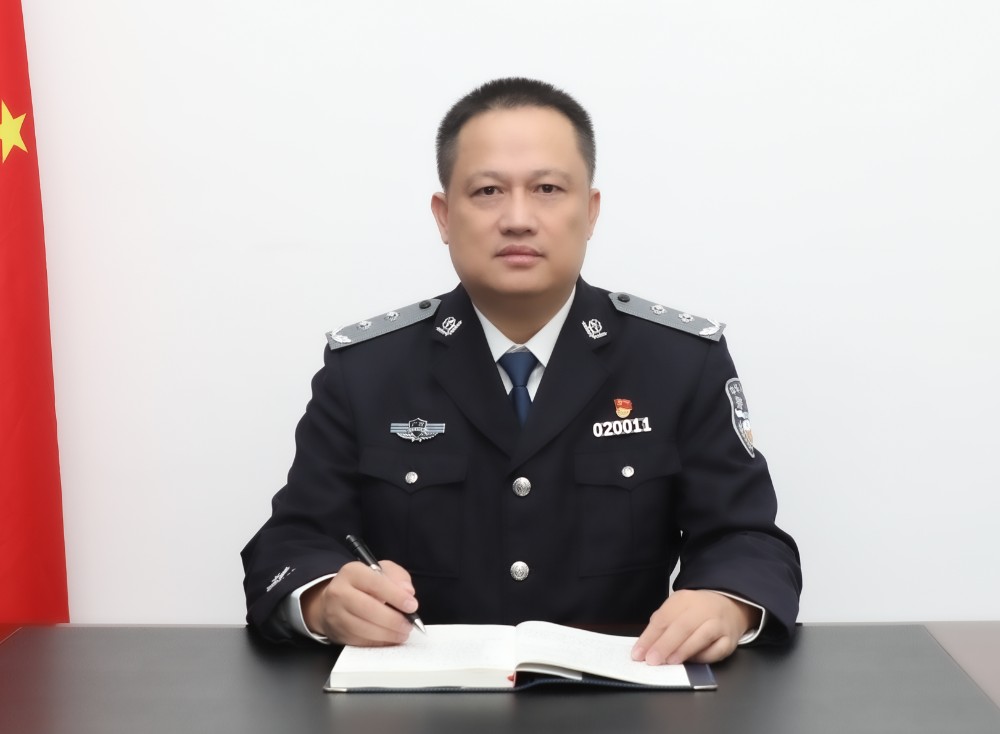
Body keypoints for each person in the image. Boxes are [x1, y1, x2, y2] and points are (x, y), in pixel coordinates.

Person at [241, 78, 801, 666]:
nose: (517, 218)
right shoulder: (367, 371)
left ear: (590, 211)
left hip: (622, 695)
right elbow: (291, 542)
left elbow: (747, 538)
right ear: (444, 216)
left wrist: (725, 601)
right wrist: (323, 600)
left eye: (547, 189)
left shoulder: (678, 362)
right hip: (420, 699)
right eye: (487, 191)